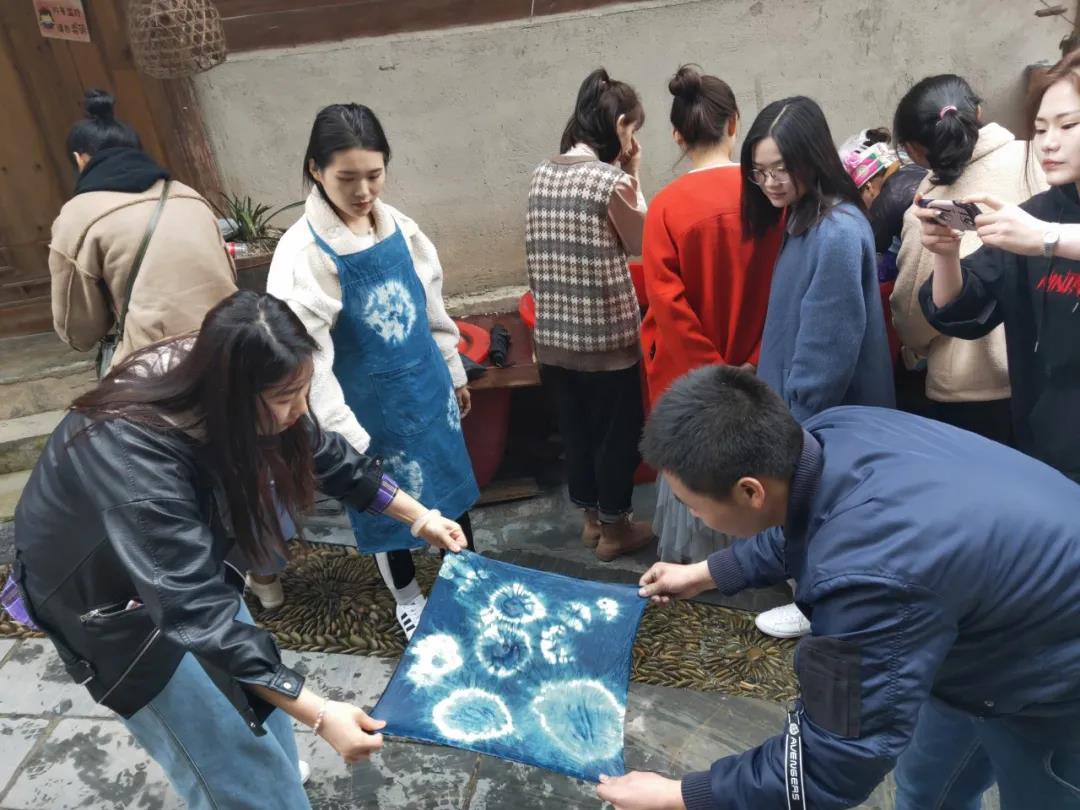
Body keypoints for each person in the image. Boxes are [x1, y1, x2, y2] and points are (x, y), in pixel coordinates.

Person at [10, 292, 468, 810]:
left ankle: (274, 783)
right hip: (112, 609)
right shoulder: (133, 452)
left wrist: (420, 518)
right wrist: (321, 715)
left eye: (303, 391)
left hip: (181, 571)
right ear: (234, 396)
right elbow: (191, 610)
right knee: (230, 765)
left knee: (259, 703)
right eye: (286, 398)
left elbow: (324, 453)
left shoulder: (231, 377)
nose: (301, 411)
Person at [595, 365, 1080, 810]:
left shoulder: (870, 583)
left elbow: (831, 763)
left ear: (749, 491)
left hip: (1056, 678)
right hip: (986, 625)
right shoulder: (832, 434)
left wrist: (676, 795)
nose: (694, 516)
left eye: (692, 505)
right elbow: (806, 524)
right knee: (926, 789)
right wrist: (707, 572)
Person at [268, 103, 478, 637]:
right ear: (316, 170)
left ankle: (468, 580)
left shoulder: (399, 226)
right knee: (385, 508)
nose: (363, 191)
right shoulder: (303, 254)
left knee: (451, 488)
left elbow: (432, 305)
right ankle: (408, 598)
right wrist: (343, 437)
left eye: (374, 175)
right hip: (367, 410)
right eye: (347, 178)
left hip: (426, 389)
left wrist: (452, 370)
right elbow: (308, 359)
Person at [741, 96, 895, 639]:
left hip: (824, 413)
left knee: (828, 513)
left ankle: (818, 607)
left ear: (812, 157)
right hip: (797, 407)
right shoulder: (805, 216)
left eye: (781, 169)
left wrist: (792, 425)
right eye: (759, 172)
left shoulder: (836, 231)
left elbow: (827, 354)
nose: (770, 183)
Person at [915, 50, 1080, 483]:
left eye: (1068, 125)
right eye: (1040, 128)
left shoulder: (1037, 229)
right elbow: (963, 306)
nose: (1049, 142)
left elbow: (1045, 237)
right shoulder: (1036, 214)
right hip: (1049, 454)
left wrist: (1048, 239)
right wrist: (945, 253)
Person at [641, 65, 782, 564]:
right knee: (760, 473)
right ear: (735, 123)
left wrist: (713, 372)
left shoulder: (665, 208)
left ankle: (701, 573)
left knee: (697, 477)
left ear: (677, 136)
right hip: (762, 372)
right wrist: (754, 359)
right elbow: (786, 288)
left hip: (690, 382)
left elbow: (669, 307)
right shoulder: (769, 197)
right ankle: (762, 563)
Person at [526, 68, 653, 562]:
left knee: (575, 432)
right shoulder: (609, 181)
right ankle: (616, 530)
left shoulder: (541, 173)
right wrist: (633, 173)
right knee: (615, 435)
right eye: (632, 129)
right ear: (619, 126)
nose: (633, 140)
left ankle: (590, 522)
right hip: (606, 341)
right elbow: (640, 242)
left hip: (553, 340)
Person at [892, 74, 1043, 444]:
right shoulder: (1039, 161)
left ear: (913, 150)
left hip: (972, 389)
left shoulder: (929, 210)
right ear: (978, 112)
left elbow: (914, 319)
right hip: (1047, 370)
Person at [49, 89, 236, 373]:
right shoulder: (188, 195)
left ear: (80, 160)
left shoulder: (78, 216)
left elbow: (79, 328)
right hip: (234, 345)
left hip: (159, 367)